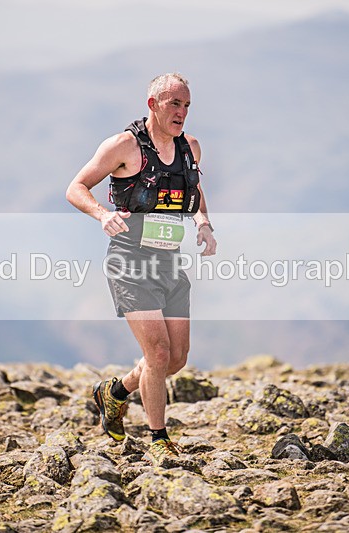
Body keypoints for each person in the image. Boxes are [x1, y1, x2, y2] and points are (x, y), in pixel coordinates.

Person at [66, 72, 217, 466]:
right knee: (158, 351)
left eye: (186, 106)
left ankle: (115, 392)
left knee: (176, 359)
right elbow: (76, 188)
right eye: (174, 104)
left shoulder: (191, 149)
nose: (181, 113)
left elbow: (195, 191)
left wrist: (204, 222)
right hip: (130, 261)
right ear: (152, 104)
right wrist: (101, 214)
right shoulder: (124, 146)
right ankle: (158, 437)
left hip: (169, 261)